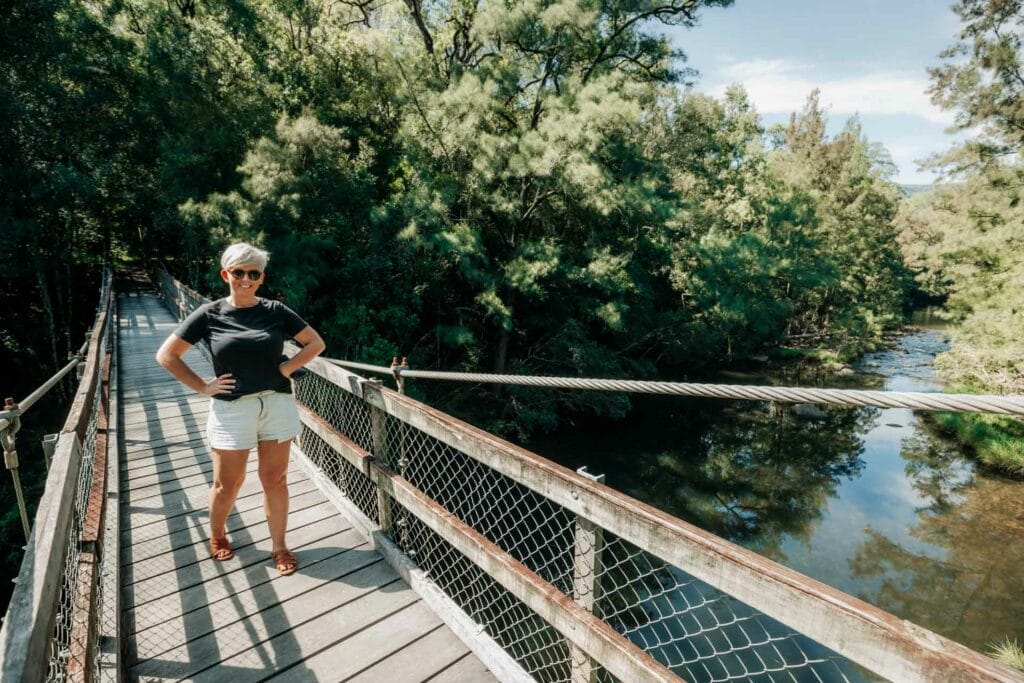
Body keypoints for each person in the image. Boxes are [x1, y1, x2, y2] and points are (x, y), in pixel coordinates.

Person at [155, 243, 325, 575]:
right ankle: (217, 537)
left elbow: (316, 343)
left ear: (261, 278)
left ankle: (279, 547)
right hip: (232, 409)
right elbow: (167, 355)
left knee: (275, 480)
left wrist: (288, 368)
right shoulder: (209, 314)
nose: (246, 279)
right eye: (239, 272)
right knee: (227, 483)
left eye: (253, 273)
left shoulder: (276, 311)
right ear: (226, 274)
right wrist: (203, 387)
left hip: (275, 404)